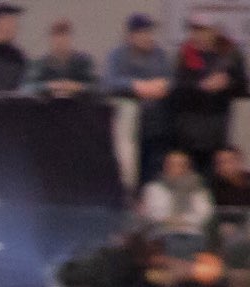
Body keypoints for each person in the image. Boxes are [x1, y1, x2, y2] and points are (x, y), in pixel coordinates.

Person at [169, 17, 244, 167]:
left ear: (215, 31)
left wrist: (227, 84)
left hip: (217, 128)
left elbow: (242, 87)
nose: (199, 35)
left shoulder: (230, 54)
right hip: (188, 130)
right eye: (195, 31)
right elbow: (177, 88)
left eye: (203, 30)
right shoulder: (185, 55)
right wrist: (201, 86)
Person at [108, 13, 174, 182]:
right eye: (143, 32)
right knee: (129, 170)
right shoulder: (118, 55)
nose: (148, 36)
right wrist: (136, 86)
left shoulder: (159, 55)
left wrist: (159, 86)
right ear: (131, 35)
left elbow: (170, 80)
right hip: (128, 126)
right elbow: (110, 82)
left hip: (155, 125)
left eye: (149, 32)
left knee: (153, 170)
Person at [31, 18, 99, 96]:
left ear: (70, 38)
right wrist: (50, 86)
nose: (60, 41)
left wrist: (77, 87)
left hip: (79, 103)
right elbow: (28, 87)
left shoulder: (83, 61)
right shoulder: (40, 63)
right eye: (56, 36)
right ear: (50, 39)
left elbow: (97, 86)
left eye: (64, 36)